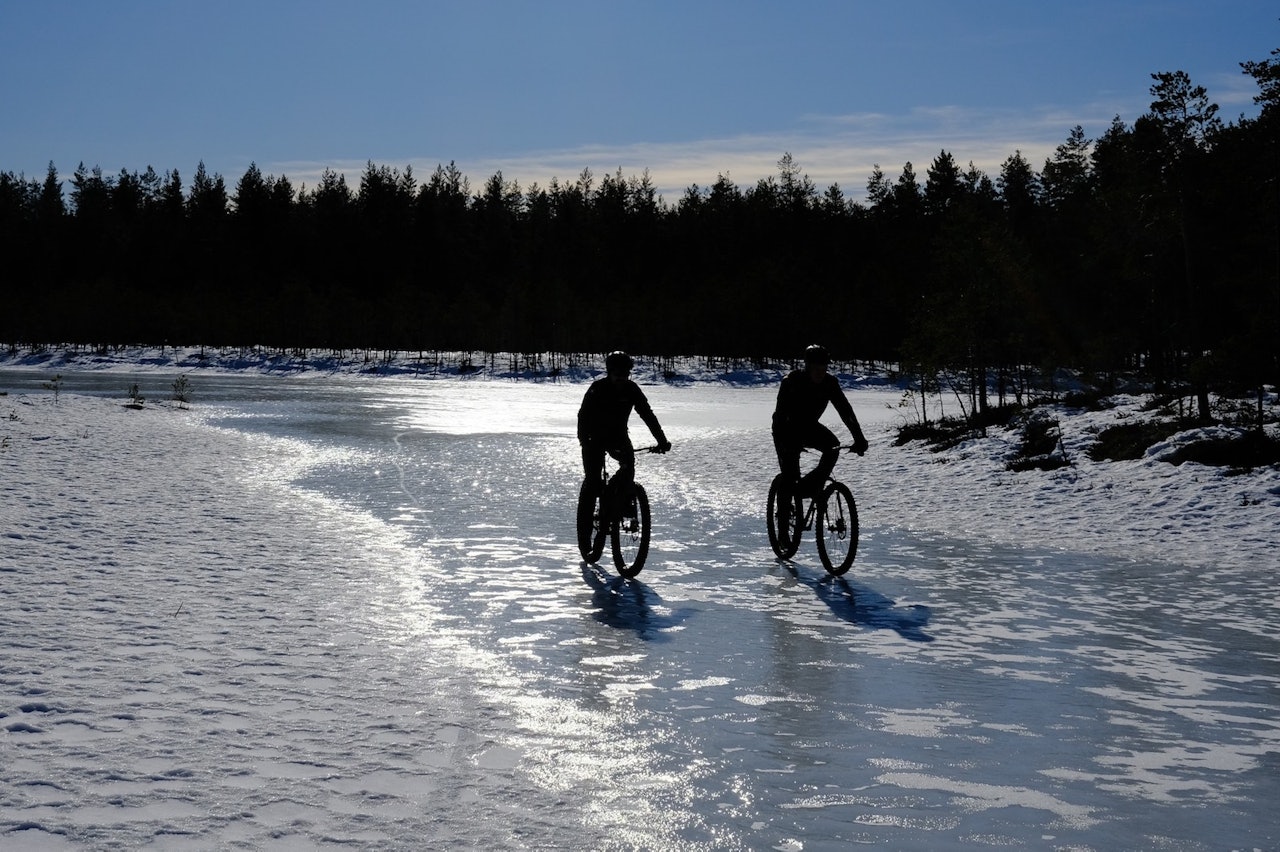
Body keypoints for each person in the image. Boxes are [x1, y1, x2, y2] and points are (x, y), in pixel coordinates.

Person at [772, 344, 869, 498]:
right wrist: (790, 445)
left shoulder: (830, 383)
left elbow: (845, 411)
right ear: (808, 367)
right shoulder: (791, 381)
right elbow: (781, 416)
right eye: (816, 370)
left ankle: (811, 486)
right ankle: (784, 516)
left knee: (833, 448)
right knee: (789, 476)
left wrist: (859, 437)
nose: (820, 374)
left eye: (824, 369)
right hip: (785, 428)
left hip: (809, 426)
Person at [578, 351, 672, 508]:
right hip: (594, 438)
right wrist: (583, 440)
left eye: (625, 373)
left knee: (628, 470)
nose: (621, 377)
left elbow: (647, 415)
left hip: (618, 436)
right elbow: (583, 415)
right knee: (592, 482)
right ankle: (587, 527)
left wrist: (661, 441)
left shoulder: (632, 389)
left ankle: (621, 501)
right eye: (617, 373)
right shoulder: (597, 388)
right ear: (610, 372)